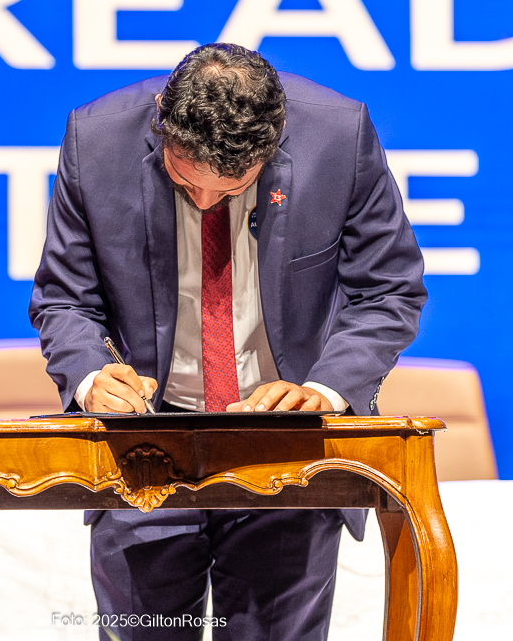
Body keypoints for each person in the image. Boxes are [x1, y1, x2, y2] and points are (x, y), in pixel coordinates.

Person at [29, 43, 425, 640]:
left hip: (285, 448)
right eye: (185, 181)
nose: (205, 201)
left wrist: (324, 391)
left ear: (274, 144)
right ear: (162, 121)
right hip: (144, 448)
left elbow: (389, 291)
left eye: (232, 188)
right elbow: (64, 299)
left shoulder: (339, 137)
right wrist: (90, 377)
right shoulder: (96, 139)